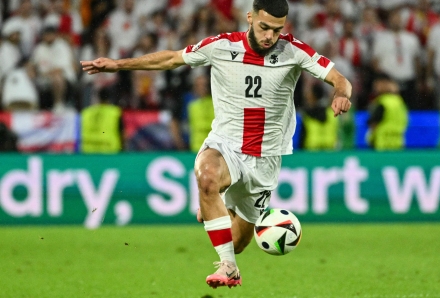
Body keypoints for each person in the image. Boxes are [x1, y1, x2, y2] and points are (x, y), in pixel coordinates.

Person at [81, 0, 352, 289]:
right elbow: (172, 58)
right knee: (207, 176)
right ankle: (227, 261)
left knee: (236, 242)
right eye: (264, 28)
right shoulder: (221, 45)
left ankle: (216, 206)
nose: (270, 37)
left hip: (265, 158)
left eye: (277, 30)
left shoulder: (294, 50)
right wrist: (119, 65)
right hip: (226, 145)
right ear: (249, 18)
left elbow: (339, 78)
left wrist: (340, 93)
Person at [366, 74, 408, 151]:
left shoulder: (383, 102)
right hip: (398, 143)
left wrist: (371, 139)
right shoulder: (400, 102)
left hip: (383, 144)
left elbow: (374, 123)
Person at [80, 87, 124, 153]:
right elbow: (123, 134)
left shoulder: (86, 112)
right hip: (109, 151)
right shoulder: (115, 112)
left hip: (87, 151)